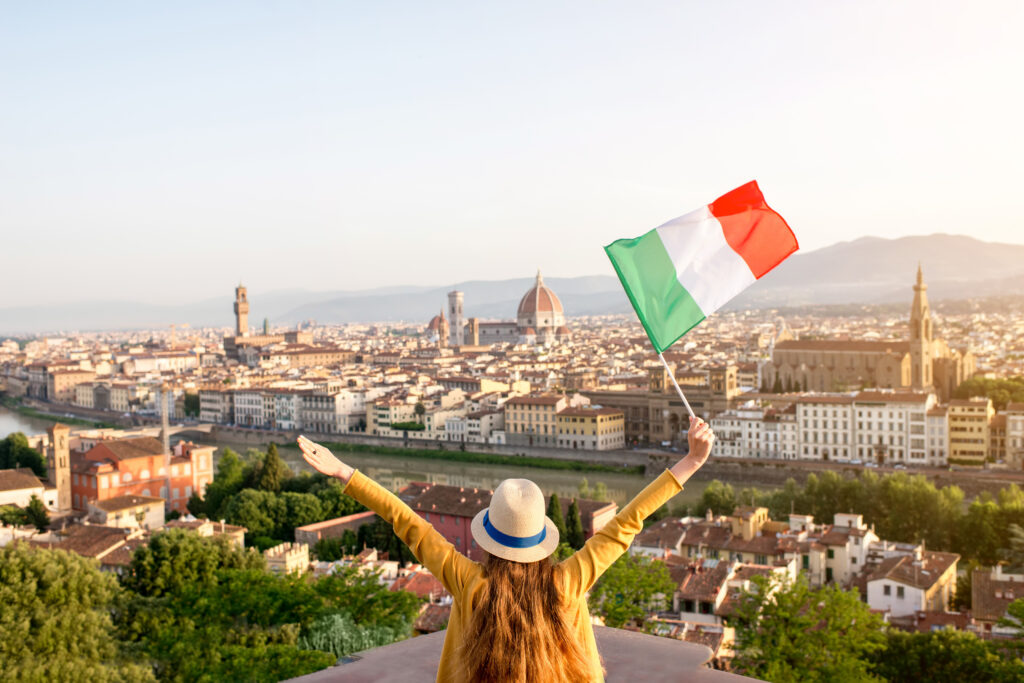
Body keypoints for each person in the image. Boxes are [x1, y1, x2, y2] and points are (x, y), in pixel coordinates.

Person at [297, 415, 715, 683]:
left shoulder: (469, 583)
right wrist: (691, 462)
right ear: (541, 541)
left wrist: (345, 473)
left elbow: (408, 524)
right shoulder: (567, 582)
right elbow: (626, 523)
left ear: (489, 540)